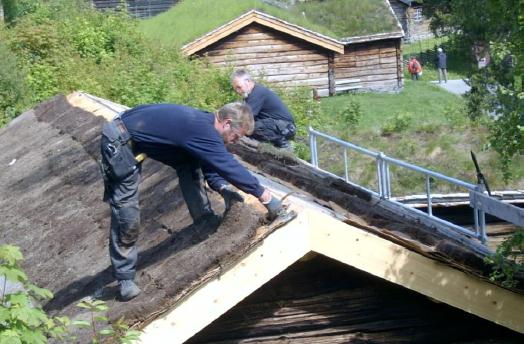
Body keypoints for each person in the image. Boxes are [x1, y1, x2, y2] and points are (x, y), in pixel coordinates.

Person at [99, 102, 283, 301]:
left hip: (135, 134)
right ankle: (124, 278)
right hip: (119, 142)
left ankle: (204, 219)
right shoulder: (201, 128)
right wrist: (266, 197)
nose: (235, 142)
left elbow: (209, 162)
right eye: (236, 136)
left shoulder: (204, 125)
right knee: (126, 212)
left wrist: (223, 189)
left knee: (189, 162)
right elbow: (227, 165)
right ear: (227, 123)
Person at [231, 69, 296, 149]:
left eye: (239, 87)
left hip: (286, 127)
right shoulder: (250, 94)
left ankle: (283, 143)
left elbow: (245, 118)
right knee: (249, 126)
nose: (237, 91)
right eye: (236, 89)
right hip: (278, 125)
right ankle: (272, 145)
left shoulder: (257, 93)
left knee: (249, 127)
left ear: (247, 81)